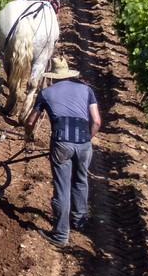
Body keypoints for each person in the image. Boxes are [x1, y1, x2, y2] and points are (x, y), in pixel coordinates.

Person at [23, 56, 102, 247]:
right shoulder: (86, 90)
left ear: (52, 76)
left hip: (61, 144)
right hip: (84, 142)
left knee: (62, 187)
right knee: (81, 180)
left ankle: (60, 234)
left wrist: (28, 136)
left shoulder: (46, 93)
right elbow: (97, 121)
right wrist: (86, 139)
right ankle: (79, 221)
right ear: (69, 74)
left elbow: (31, 121)